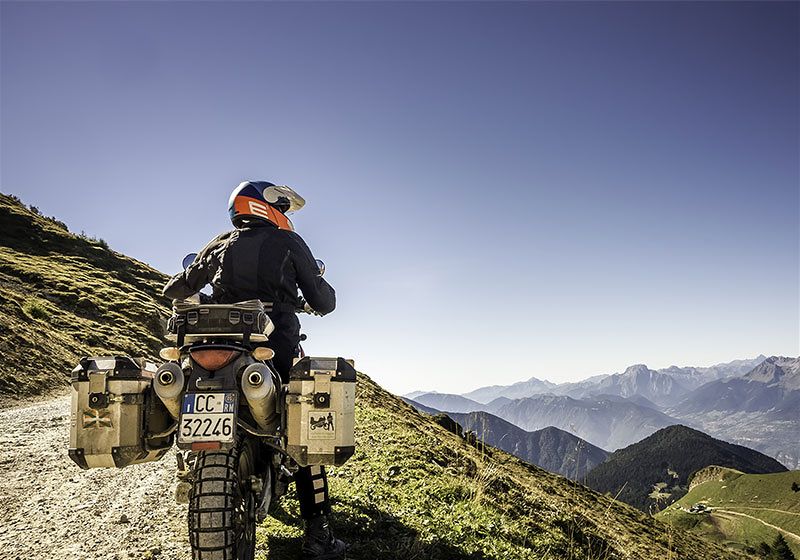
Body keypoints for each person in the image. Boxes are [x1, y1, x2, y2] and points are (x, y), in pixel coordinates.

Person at [162, 180, 345, 560]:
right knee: (301, 430)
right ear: (268, 205)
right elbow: (323, 301)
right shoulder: (288, 243)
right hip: (271, 349)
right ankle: (319, 533)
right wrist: (309, 291)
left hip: (205, 351)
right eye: (284, 206)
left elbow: (175, 290)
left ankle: (193, 465)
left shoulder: (219, 243)